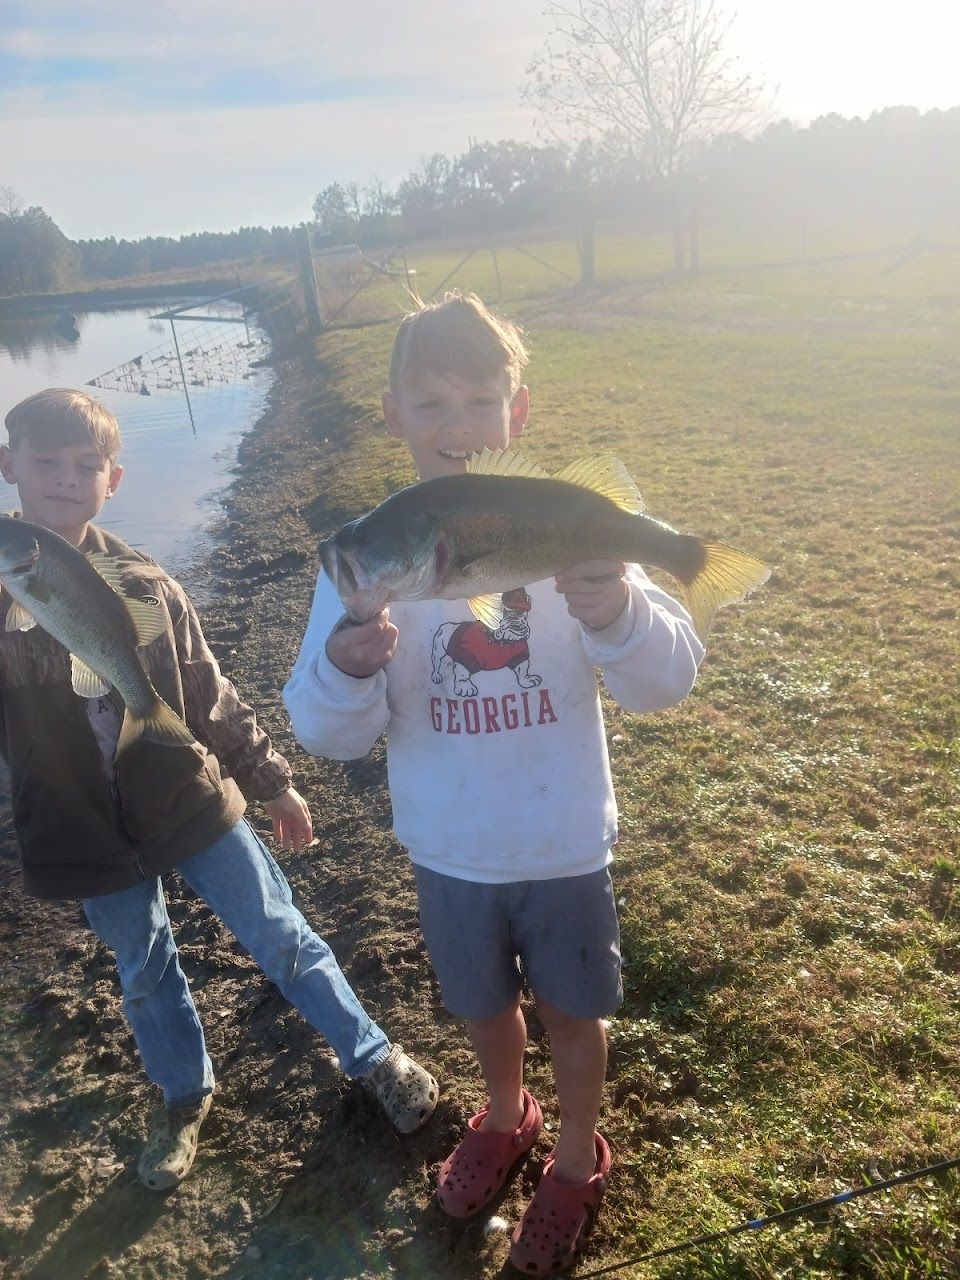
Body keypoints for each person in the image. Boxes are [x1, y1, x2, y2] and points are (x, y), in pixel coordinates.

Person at [283, 293, 705, 1274]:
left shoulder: (579, 530)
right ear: (390, 413)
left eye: (481, 399)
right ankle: (507, 1113)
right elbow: (325, 732)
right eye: (430, 403)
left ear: (520, 413)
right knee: (482, 1005)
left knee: (573, 1009)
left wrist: (619, 610)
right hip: (450, 851)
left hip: (562, 845)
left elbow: (663, 684)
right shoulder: (363, 573)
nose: (458, 424)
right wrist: (348, 662)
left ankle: (571, 1157)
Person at [0, 388, 438, 1193]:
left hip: (189, 797)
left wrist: (269, 781)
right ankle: (183, 1095)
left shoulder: (148, 580)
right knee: (142, 967)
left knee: (279, 931)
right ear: (7, 467)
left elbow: (208, 689)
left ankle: (370, 1052)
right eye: (45, 462)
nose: (65, 479)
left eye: (84, 466)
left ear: (114, 479)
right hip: (77, 829)